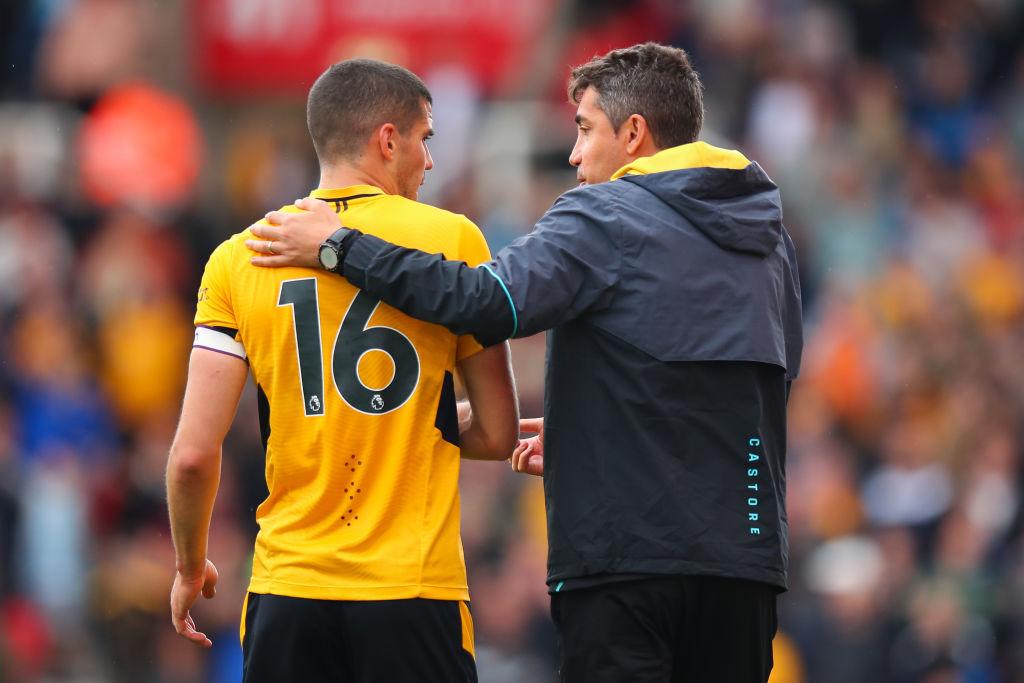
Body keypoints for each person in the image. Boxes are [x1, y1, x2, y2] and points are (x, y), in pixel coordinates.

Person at [248, 43, 803, 683]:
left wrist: (339, 247)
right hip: (746, 563)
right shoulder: (769, 239)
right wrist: (594, 439)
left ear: (633, 134)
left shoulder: (605, 215)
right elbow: (757, 384)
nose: (573, 155)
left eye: (584, 129)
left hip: (624, 566)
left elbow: (485, 301)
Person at [166, 59, 519, 683]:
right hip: (413, 593)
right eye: (426, 139)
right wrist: (421, 422)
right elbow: (496, 432)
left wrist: (189, 565)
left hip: (289, 589)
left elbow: (194, 454)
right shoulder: (453, 240)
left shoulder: (240, 257)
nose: (430, 161)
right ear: (389, 140)